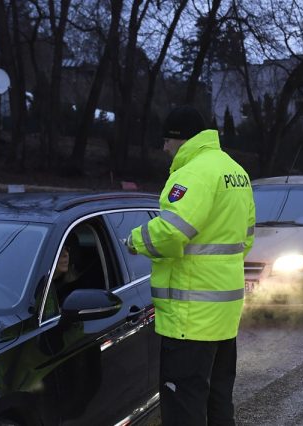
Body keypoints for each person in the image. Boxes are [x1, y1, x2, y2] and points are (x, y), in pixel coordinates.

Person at [125, 105, 255, 426]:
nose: (164, 149)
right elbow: (246, 238)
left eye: (166, 142)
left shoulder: (193, 173)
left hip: (190, 321)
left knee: (184, 409)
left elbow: (170, 233)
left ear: (179, 140)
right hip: (223, 318)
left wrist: (135, 240)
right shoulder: (235, 171)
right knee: (218, 401)